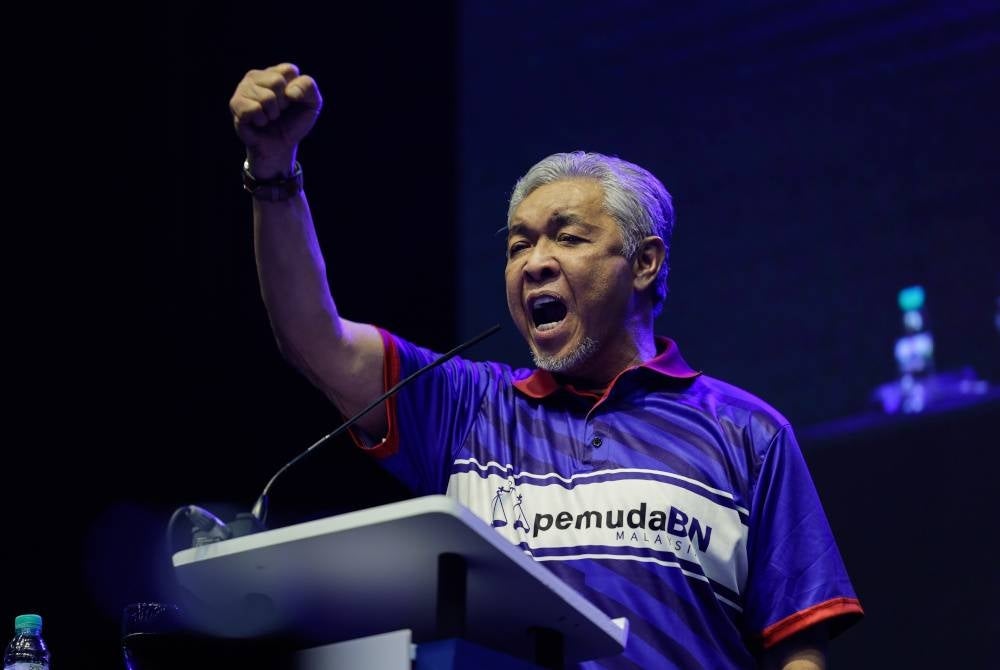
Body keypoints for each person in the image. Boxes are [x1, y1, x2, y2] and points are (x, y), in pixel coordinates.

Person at [230, 63, 863, 669]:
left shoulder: (748, 434)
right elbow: (314, 337)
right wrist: (273, 169)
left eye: (567, 236)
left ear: (644, 263)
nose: (534, 261)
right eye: (517, 244)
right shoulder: (462, 405)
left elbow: (796, 648)